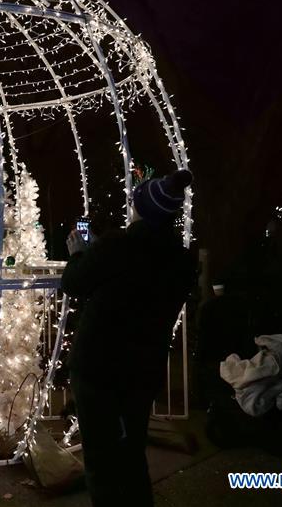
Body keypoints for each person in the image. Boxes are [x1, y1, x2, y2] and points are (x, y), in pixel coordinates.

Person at [61, 169, 196, 507]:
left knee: (101, 456)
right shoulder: (180, 261)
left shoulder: (118, 245)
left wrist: (78, 252)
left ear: (143, 209)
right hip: (142, 368)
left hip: (99, 365)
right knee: (131, 450)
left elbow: (75, 282)